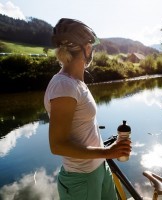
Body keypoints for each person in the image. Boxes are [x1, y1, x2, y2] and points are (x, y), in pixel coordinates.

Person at [44, 18, 131, 200]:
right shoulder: (64, 86)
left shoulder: (76, 82)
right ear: (86, 49)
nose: (92, 49)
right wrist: (109, 152)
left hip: (100, 167)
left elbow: (81, 125)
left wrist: (106, 152)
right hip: (82, 179)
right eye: (91, 45)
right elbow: (57, 145)